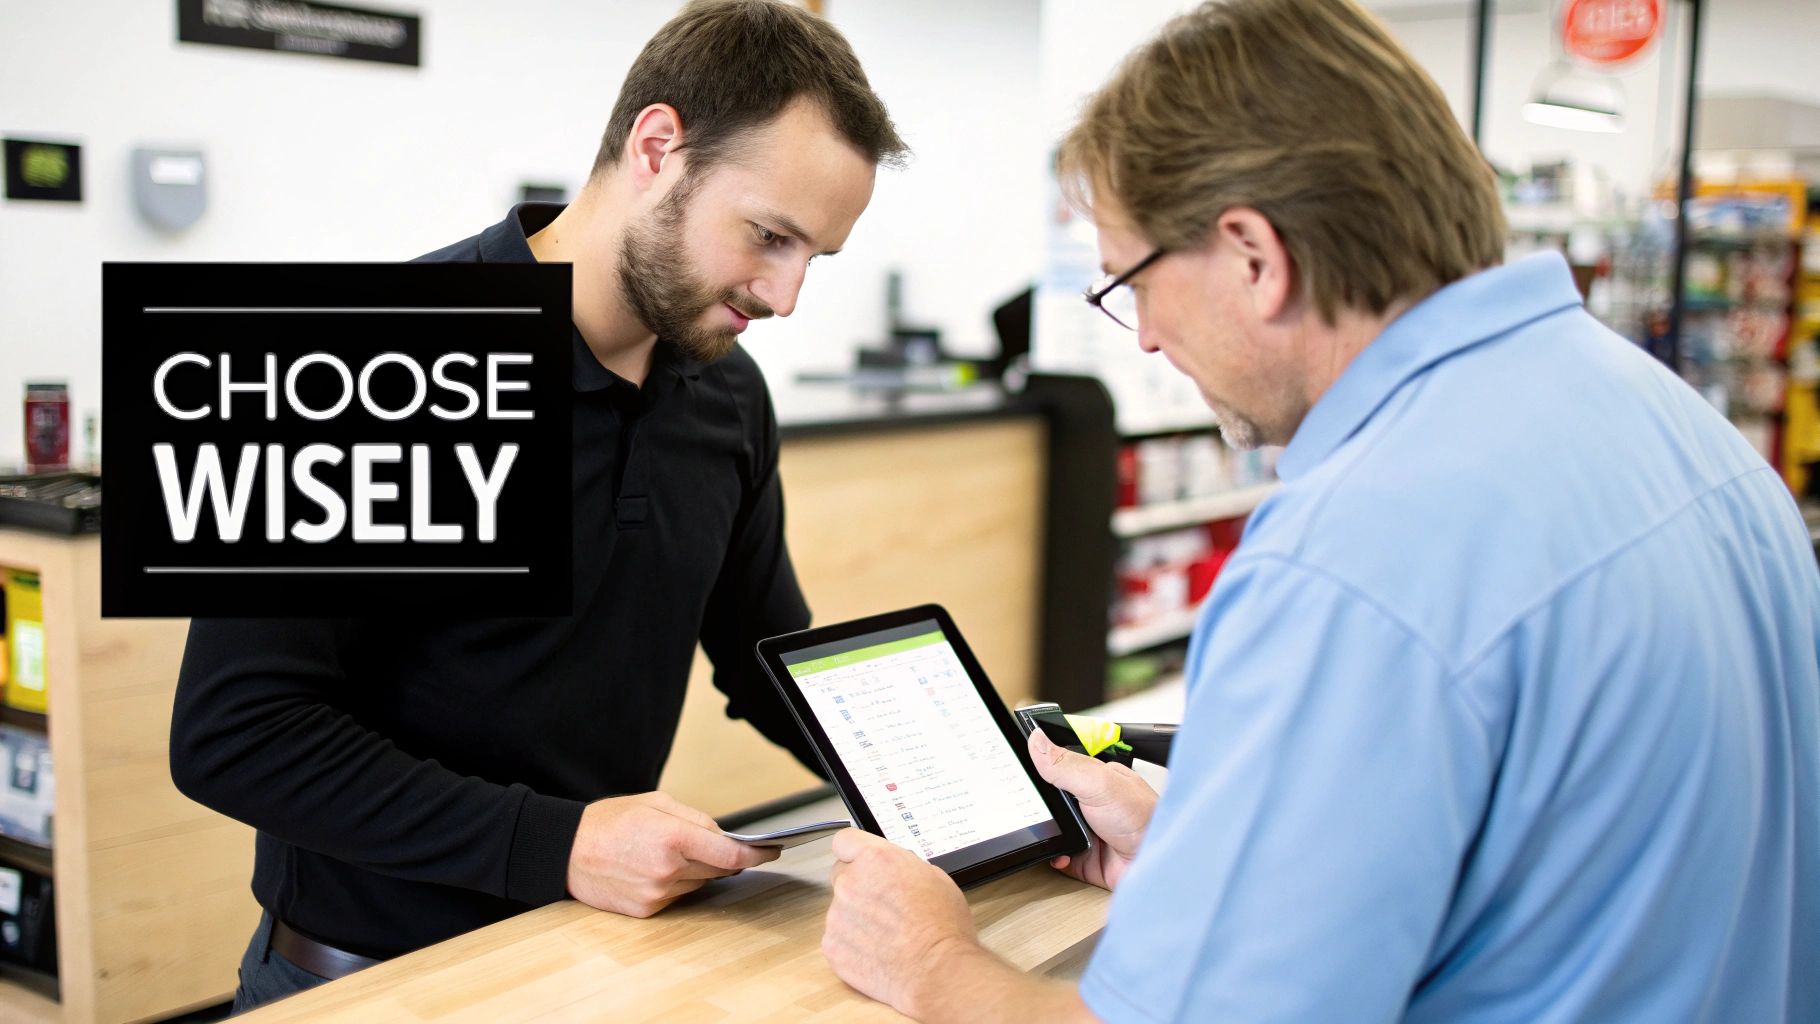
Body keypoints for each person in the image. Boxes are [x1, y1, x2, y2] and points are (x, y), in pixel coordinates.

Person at [819, 0, 1820, 1021]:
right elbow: (1569, 868)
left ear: (1253, 255)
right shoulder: (1690, 439)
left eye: (1127, 281)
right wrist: (1210, 863)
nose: (1148, 341)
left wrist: (929, 957)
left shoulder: (1354, 553)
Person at [168, 0, 908, 1012]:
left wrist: (974, 780)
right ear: (658, 147)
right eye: (768, 236)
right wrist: (560, 843)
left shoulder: (726, 394)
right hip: (367, 984)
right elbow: (236, 731)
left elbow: (763, 656)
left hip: (591, 965)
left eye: (812, 258)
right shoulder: (361, 358)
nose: (784, 297)